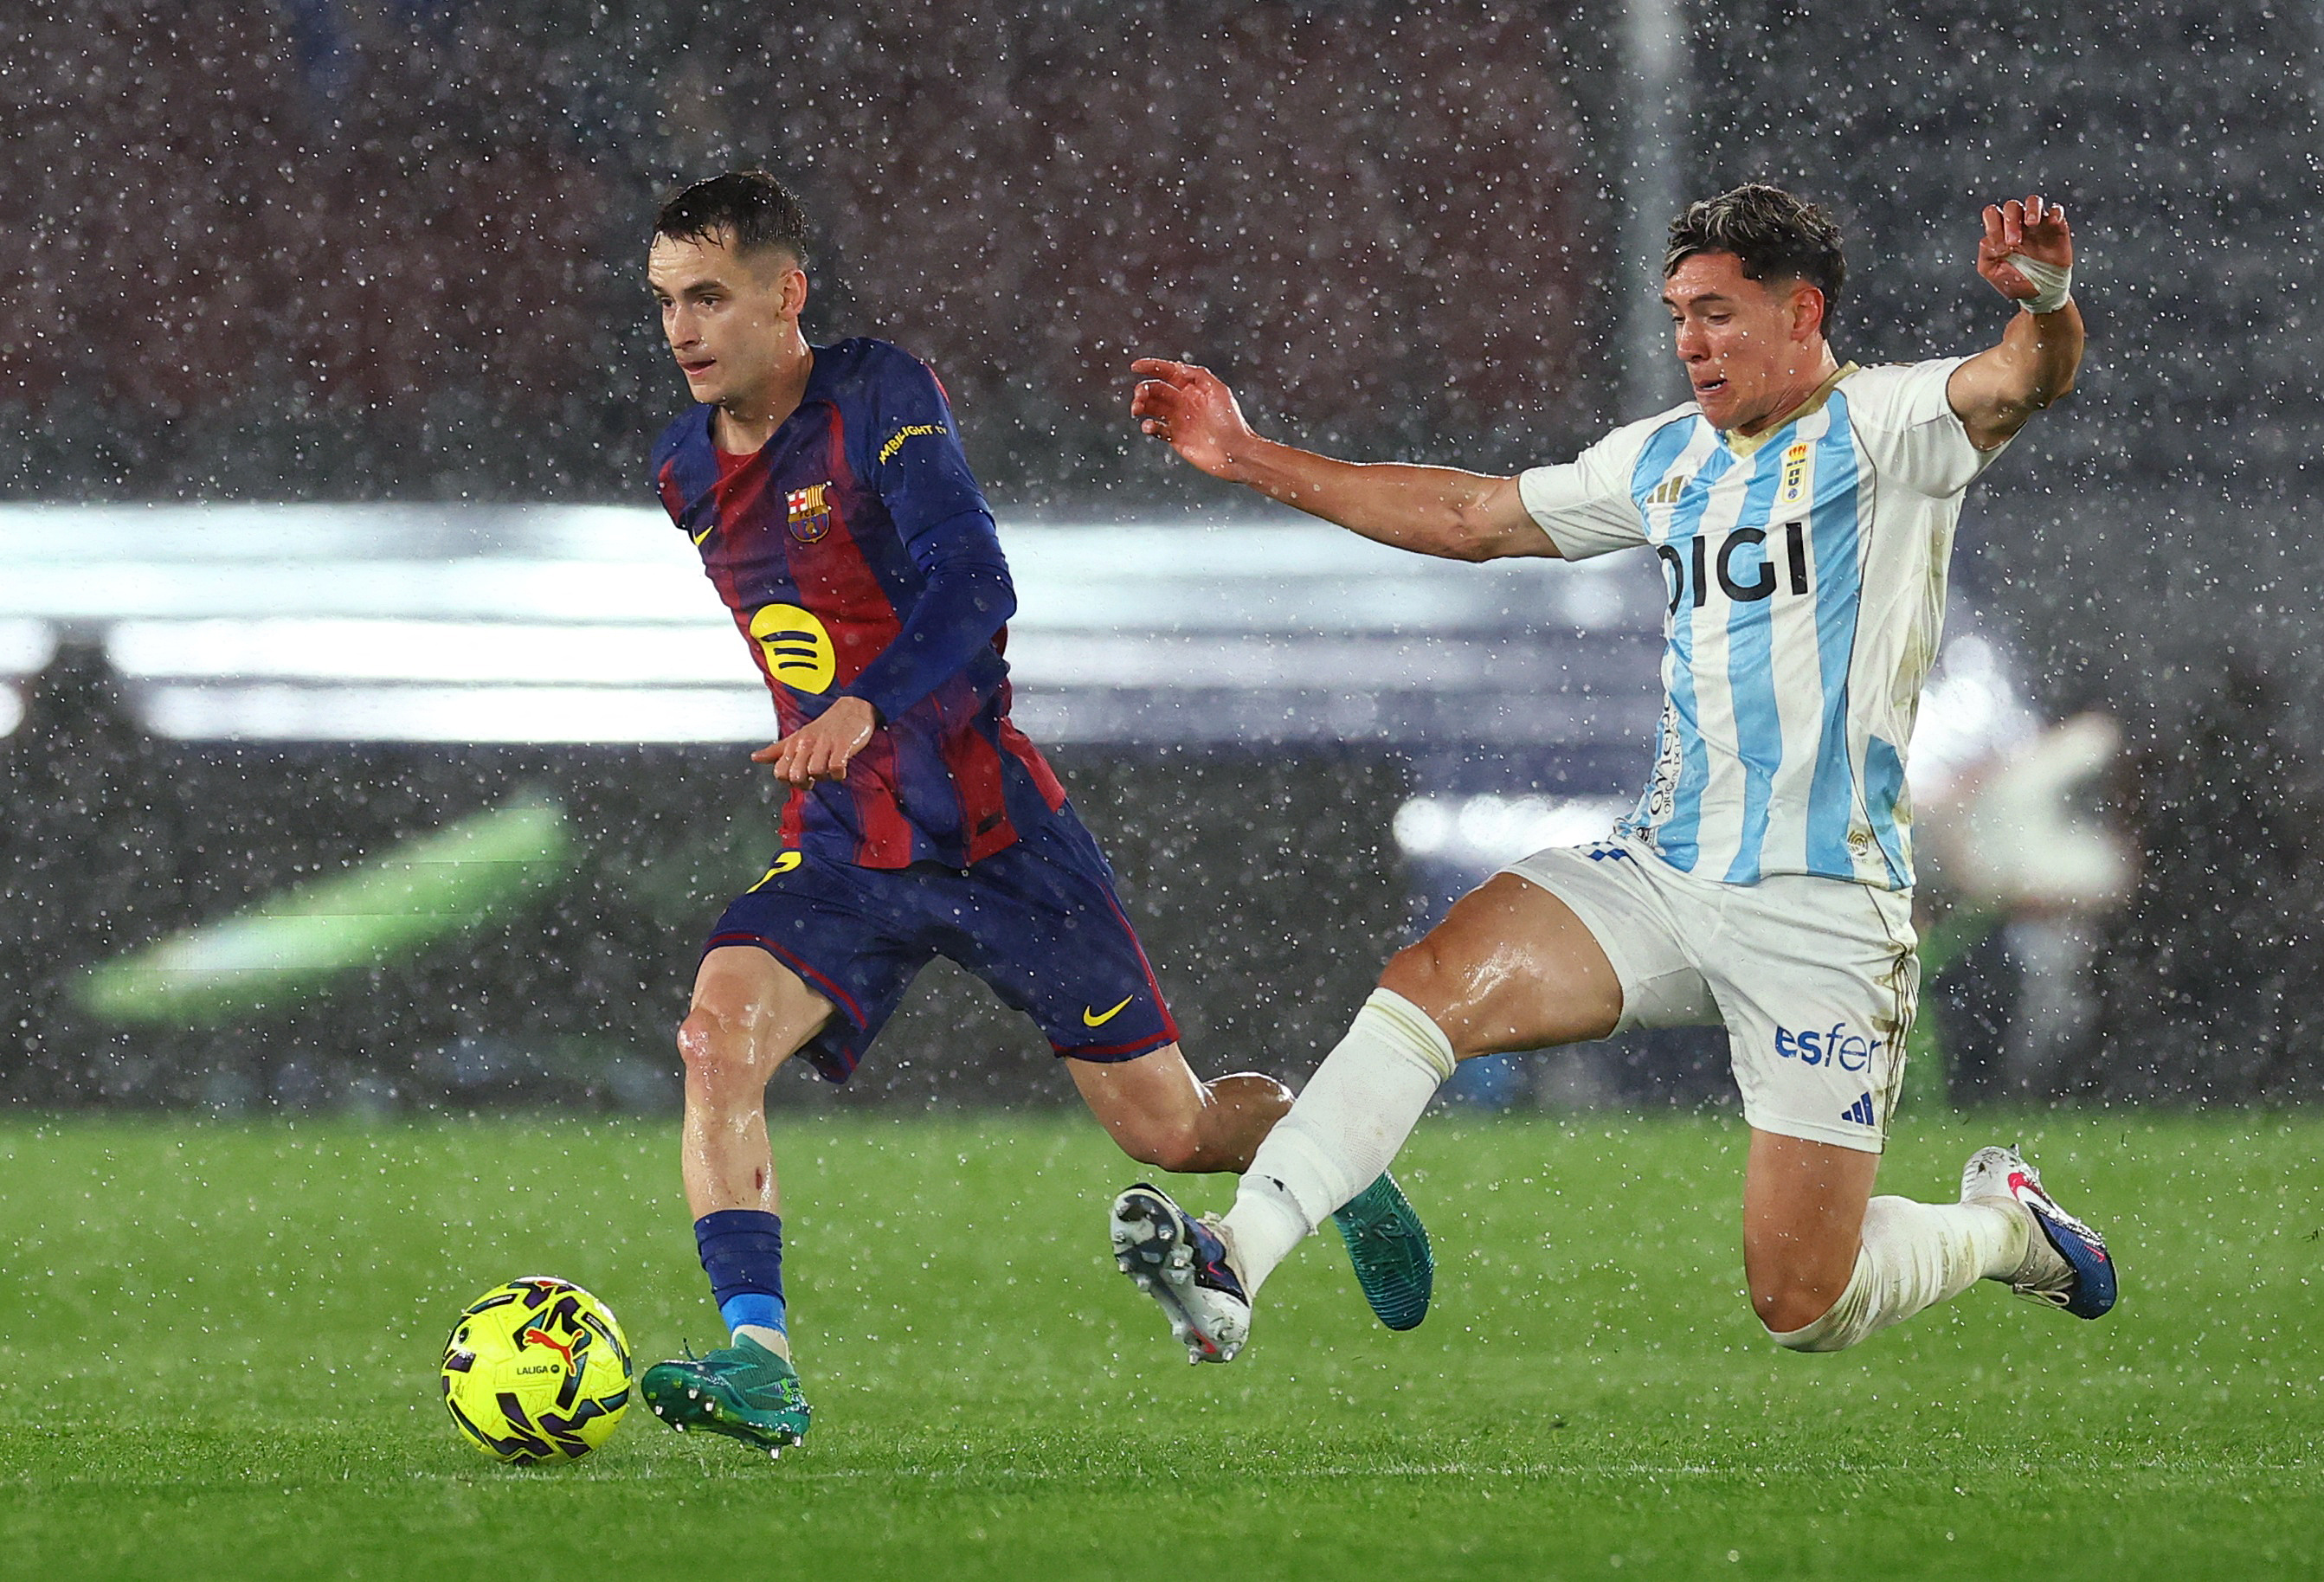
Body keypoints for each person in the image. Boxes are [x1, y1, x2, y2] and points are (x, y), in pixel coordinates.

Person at [1109, 185, 2112, 1365]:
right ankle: (1232, 1262)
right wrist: (1244, 453)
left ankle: (2004, 1230)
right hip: (1664, 873)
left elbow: (2023, 376)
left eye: (1718, 314)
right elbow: (1469, 517)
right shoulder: (1664, 458)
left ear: (1801, 313)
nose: (1691, 342)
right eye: (1678, 315)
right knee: (1432, 982)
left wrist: (2047, 298)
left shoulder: (1890, 425)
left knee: (1804, 1303)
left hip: (1823, 909)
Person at [631, 170, 1433, 1455]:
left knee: (1172, 1130)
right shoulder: (683, 470)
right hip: (845, 843)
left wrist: (867, 706)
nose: (682, 328)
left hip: (993, 834)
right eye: (667, 300)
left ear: (786, 297)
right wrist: (841, 733)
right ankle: (760, 1364)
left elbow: (977, 583)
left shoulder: (879, 396)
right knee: (714, 1043)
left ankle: (1329, 1152)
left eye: (710, 297)